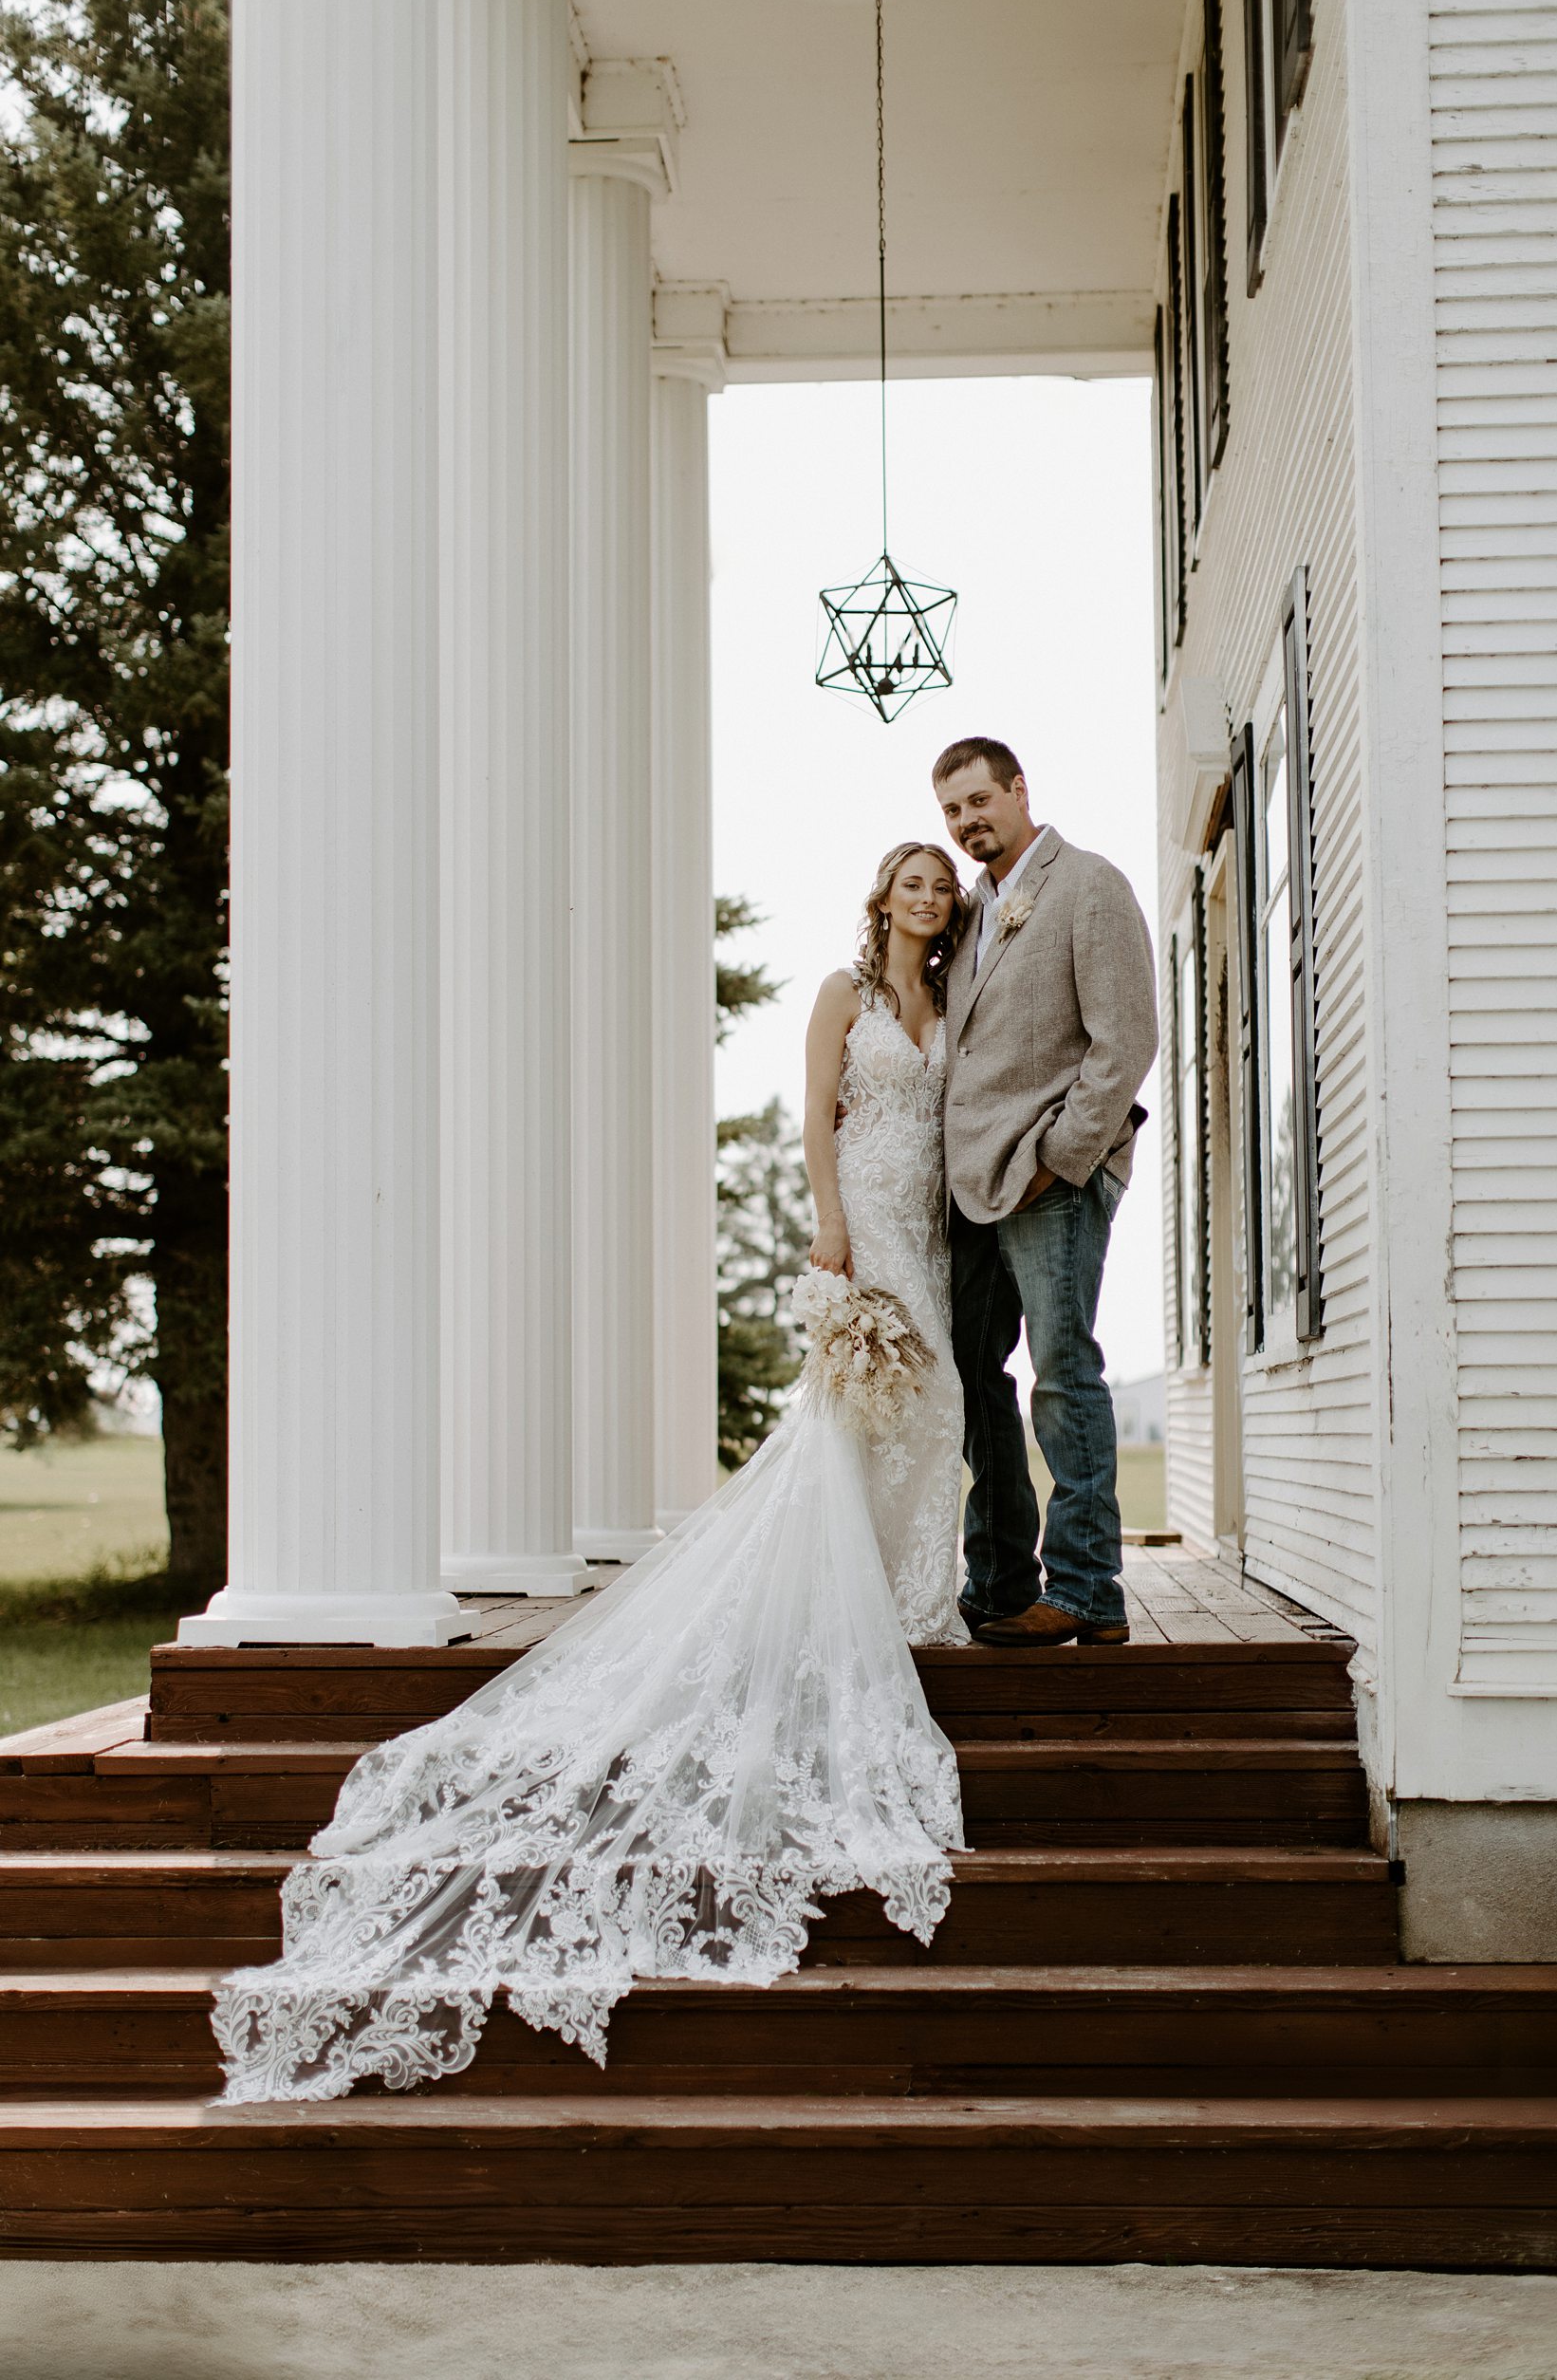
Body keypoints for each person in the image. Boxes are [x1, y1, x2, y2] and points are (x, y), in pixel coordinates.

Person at [211, 842, 970, 2102]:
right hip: (866, 1222)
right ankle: (849, 1606)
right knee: (851, 1417)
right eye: (910, 880)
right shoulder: (850, 995)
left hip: (930, 1228)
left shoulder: (950, 1000)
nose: (926, 898)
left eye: (940, 884)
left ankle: (903, 1598)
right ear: (881, 896)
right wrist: (830, 1226)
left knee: (927, 1412)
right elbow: (816, 1118)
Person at [934, 736, 1158, 1647]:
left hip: (1051, 1176)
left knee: (1062, 1373)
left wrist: (1061, 1158)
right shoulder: (972, 911)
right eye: (951, 811)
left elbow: (1125, 1040)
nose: (966, 822)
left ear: (1020, 788)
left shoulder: (1087, 886)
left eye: (979, 800)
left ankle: (1086, 1593)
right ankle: (997, 1581)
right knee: (973, 1375)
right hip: (971, 1184)